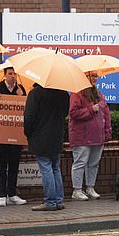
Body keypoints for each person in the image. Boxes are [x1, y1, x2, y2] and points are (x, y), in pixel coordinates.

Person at [0, 67, 28, 207]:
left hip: (16, 133)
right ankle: (1, 195)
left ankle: (12, 193)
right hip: (1, 133)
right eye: (10, 74)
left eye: (15, 74)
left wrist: (22, 97)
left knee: (15, 164)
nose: (13, 76)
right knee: (2, 164)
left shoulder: (20, 89)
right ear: (5, 75)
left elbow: (27, 109)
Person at [24, 83, 70, 212]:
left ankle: (50, 201)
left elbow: (29, 118)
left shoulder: (35, 93)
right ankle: (59, 200)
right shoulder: (63, 94)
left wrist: (28, 133)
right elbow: (65, 113)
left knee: (46, 169)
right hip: (57, 136)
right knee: (55, 168)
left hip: (40, 136)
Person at [68, 72, 112, 201]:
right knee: (80, 162)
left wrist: (107, 132)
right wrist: (91, 110)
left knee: (93, 164)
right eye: (92, 75)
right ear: (85, 77)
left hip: (97, 136)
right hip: (82, 136)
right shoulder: (77, 94)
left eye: (96, 76)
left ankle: (90, 187)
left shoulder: (99, 96)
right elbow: (73, 113)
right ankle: (77, 190)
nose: (95, 78)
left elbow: (106, 114)